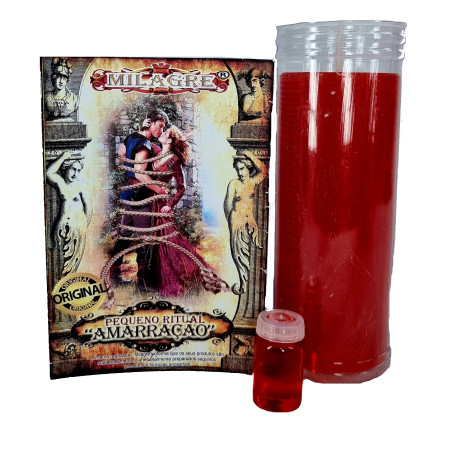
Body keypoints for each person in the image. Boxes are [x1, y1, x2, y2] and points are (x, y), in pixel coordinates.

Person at [145, 124, 227, 297]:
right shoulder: (156, 153)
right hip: (149, 202)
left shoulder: (174, 160)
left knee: (168, 241)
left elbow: (182, 188)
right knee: (152, 241)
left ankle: (179, 277)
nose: (162, 133)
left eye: (166, 132)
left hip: (161, 205)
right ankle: (151, 279)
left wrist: (170, 205)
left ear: (169, 140)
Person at [110, 109, 169, 287]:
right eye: (160, 126)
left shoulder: (131, 138)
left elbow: (120, 157)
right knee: (146, 240)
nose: (161, 130)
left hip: (128, 194)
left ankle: (114, 278)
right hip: (138, 197)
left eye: (163, 128)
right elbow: (140, 173)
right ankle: (144, 284)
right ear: (150, 123)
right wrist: (159, 189)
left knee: (124, 236)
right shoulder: (145, 145)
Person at [224, 150, 268, 295]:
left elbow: (264, 171)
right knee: (238, 255)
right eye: (237, 169)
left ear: (248, 168)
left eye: (242, 168)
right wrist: (231, 221)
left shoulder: (252, 182)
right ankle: (243, 284)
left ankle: (246, 285)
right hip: (236, 221)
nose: (240, 173)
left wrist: (250, 155)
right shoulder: (234, 184)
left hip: (250, 221)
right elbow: (227, 204)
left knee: (251, 252)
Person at [46, 151, 92, 277]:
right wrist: (63, 157)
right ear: (66, 168)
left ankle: (69, 277)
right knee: (57, 249)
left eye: (78, 170)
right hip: (62, 223)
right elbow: (49, 173)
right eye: (73, 169)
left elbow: (88, 208)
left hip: (78, 224)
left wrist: (83, 226)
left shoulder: (81, 186)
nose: (75, 173)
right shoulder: (61, 183)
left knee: (74, 257)